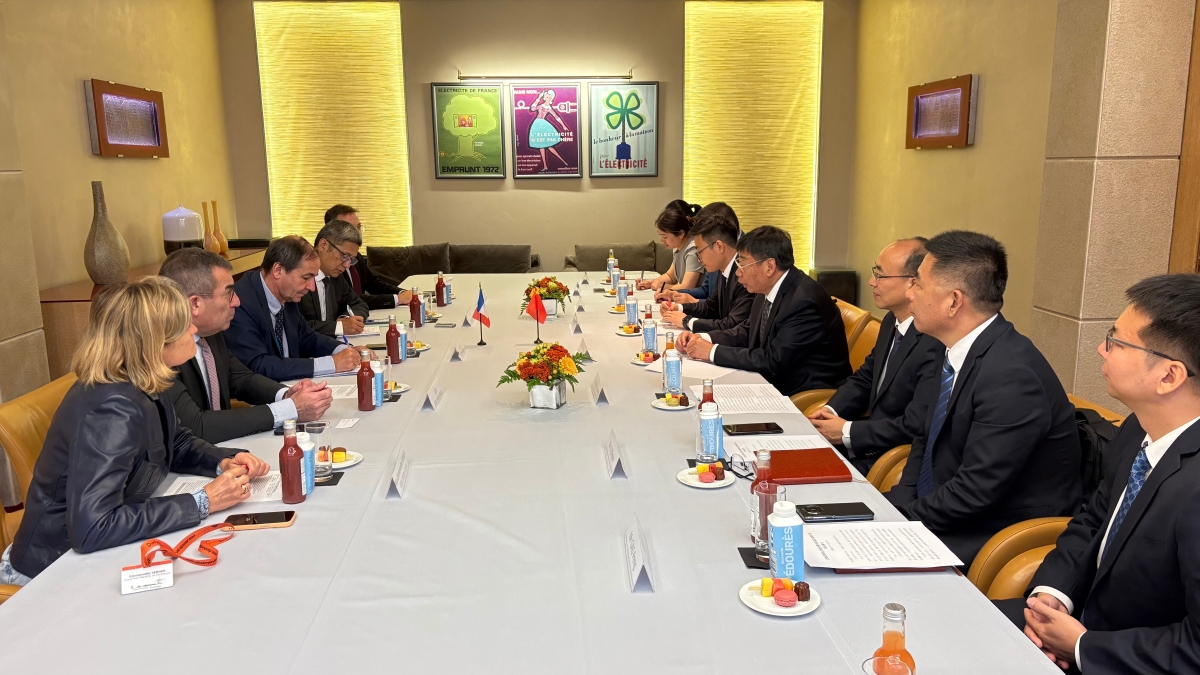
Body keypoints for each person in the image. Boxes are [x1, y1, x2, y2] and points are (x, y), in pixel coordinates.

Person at [1, 277, 270, 583]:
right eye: (184, 326)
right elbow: (92, 526)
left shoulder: (144, 375)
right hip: (53, 570)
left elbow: (175, 441)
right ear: (157, 342)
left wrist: (223, 461)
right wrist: (203, 501)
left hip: (102, 544)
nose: (193, 329)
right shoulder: (112, 408)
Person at [997, 274, 1200, 675]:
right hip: (1077, 620)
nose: (1101, 350)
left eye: (1116, 341)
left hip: (1126, 655)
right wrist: (1053, 597)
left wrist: (1081, 647)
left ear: (1169, 376)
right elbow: (1094, 520)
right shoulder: (1137, 428)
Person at [885, 230, 1080, 568]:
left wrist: (901, 522)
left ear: (954, 301)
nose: (909, 293)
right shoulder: (952, 349)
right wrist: (898, 507)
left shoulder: (1011, 375)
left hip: (997, 533)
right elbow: (924, 439)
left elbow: (975, 491)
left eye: (918, 284)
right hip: (946, 508)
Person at [159, 248, 333, 444]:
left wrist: (286, 394)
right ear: (195, 304)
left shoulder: (211, 333)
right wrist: (290, 409)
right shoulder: (162, 350)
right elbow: (197, 426)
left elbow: (240, 378)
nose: (237, 301)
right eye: (229, 293)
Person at [808, 238, 944, 474]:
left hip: (890, 459)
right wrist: (831, 411)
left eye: (880, 276)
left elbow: (916, 424)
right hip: (864, 440)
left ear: (913, 282)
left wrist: (846, 432)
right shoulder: (891, 320)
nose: (872, 282)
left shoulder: (934, 341)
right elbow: (866, 377)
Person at [677, 226, 852, 396]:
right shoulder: (767, 288)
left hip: (807, 395)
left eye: (742, 264)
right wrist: (703, 338)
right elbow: (747, 330)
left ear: (769, 266)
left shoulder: (803, 302)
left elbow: (773, 361)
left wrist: (711, 351)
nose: (738, 273)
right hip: (773, 381)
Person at [225, 235, 362, 381]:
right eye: (306, 277)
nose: (312, 287)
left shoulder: (287, 294)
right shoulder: (240, 303)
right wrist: (331, 363)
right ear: (278, 270)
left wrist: (345, 350)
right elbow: (258, 365)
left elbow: (306, 337)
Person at [657, 210, 752, 333]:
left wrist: (687, 321)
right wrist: (679, 308)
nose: (699, 258)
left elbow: (732, 324)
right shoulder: (723, 270)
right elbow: (710, 307)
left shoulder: (744, 274)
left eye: (699, 251)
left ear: (719, 247)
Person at [324, 204, 412, 310]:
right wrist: (397, 299)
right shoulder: (330, 265)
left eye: (358, 227)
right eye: (350, 229)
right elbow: (351, 301)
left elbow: (373, 283)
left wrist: (403, 293)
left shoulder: (357, 256)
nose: (358, 233)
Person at [297, 219, 370, 338]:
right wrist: (338, 327)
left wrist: (345, 319)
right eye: (345, 256)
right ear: (323, 245)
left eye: (351, 259)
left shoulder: (336, 277)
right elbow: (295, 326)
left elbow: (359, 303)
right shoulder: (299, 278)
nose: (347, 265)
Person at [669, 202, 742, 303]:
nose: (699, 259)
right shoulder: (714, 251)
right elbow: (706, 291)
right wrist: (674, 293)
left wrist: (694, 302)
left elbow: (728, 310)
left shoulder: (746, 261)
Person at [636, 200, 704, 293]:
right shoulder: (677, 246)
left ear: (681, 234)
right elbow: (670, 276)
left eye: (665, 237)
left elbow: (687, 287)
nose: (662, 241)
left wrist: (663, 287)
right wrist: (651, 283)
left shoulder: (693, 249)